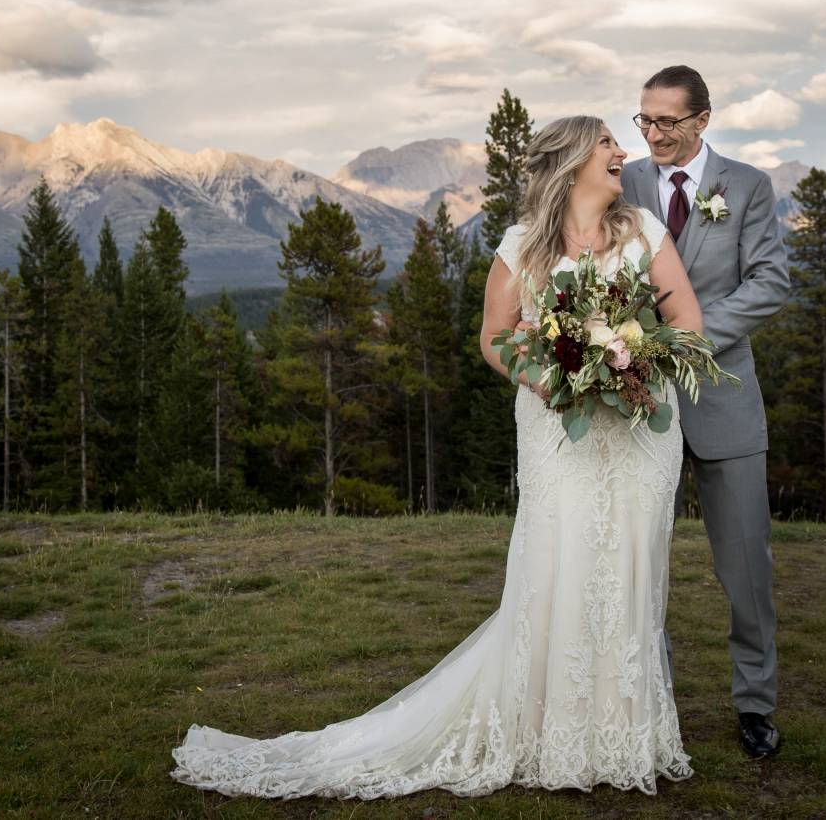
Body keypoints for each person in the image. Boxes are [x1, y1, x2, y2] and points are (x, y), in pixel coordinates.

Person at [170, 115, 705, 798]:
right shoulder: (522, 245)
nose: (621, 153)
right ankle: (551, 732)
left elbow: (687, 321)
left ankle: (622, 736)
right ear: (572, 161)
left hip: (639, 431)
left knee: (628, 569)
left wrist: (632, 365)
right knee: (558, 564)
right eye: (607, 143)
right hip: (557, 429)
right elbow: (496, 337)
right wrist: (548, 377)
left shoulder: (645, 235)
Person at [620, 65, 790, 760]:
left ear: (703, 120)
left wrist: (685, 336)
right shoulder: (622, 182)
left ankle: (756, 703)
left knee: (746, 565)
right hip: (636, 403)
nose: (654, 134)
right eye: (645, 121)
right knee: (637, 566)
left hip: (724, 399)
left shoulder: (747, 187)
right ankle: (649, 701)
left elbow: (770, 282)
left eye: (668, 122)